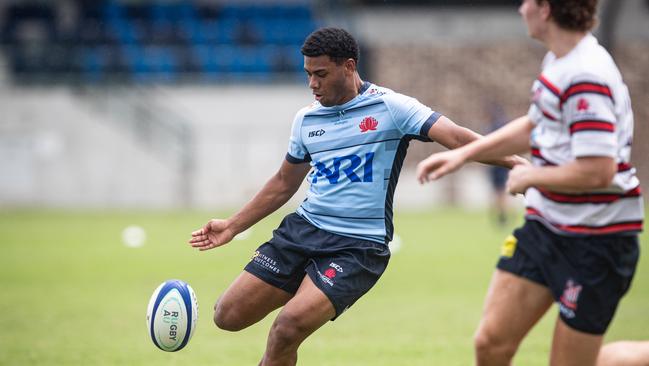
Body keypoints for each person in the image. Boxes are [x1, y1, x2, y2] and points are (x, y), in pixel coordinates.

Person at [189, 27, 521, 365]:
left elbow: (459, 138)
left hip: (358, 246)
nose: (312, 84)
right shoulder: (306, 120)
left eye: (320, 74)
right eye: (308, 75)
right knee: (227, 316)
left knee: (287, 328)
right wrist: (232, 225)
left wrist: (519, 165)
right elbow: (282, 183)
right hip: (303, 231)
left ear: (348, 66)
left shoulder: (392, 108)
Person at [416, 1, 645, 365]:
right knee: (490, 343)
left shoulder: (587, 75)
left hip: (597, 242)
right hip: (546, 229)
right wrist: (465, 153)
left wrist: (531, 176)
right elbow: (534, 124)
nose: (521, 8)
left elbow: (598, 171)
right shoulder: (559, 61)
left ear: (546, 9)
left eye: (527, 2)